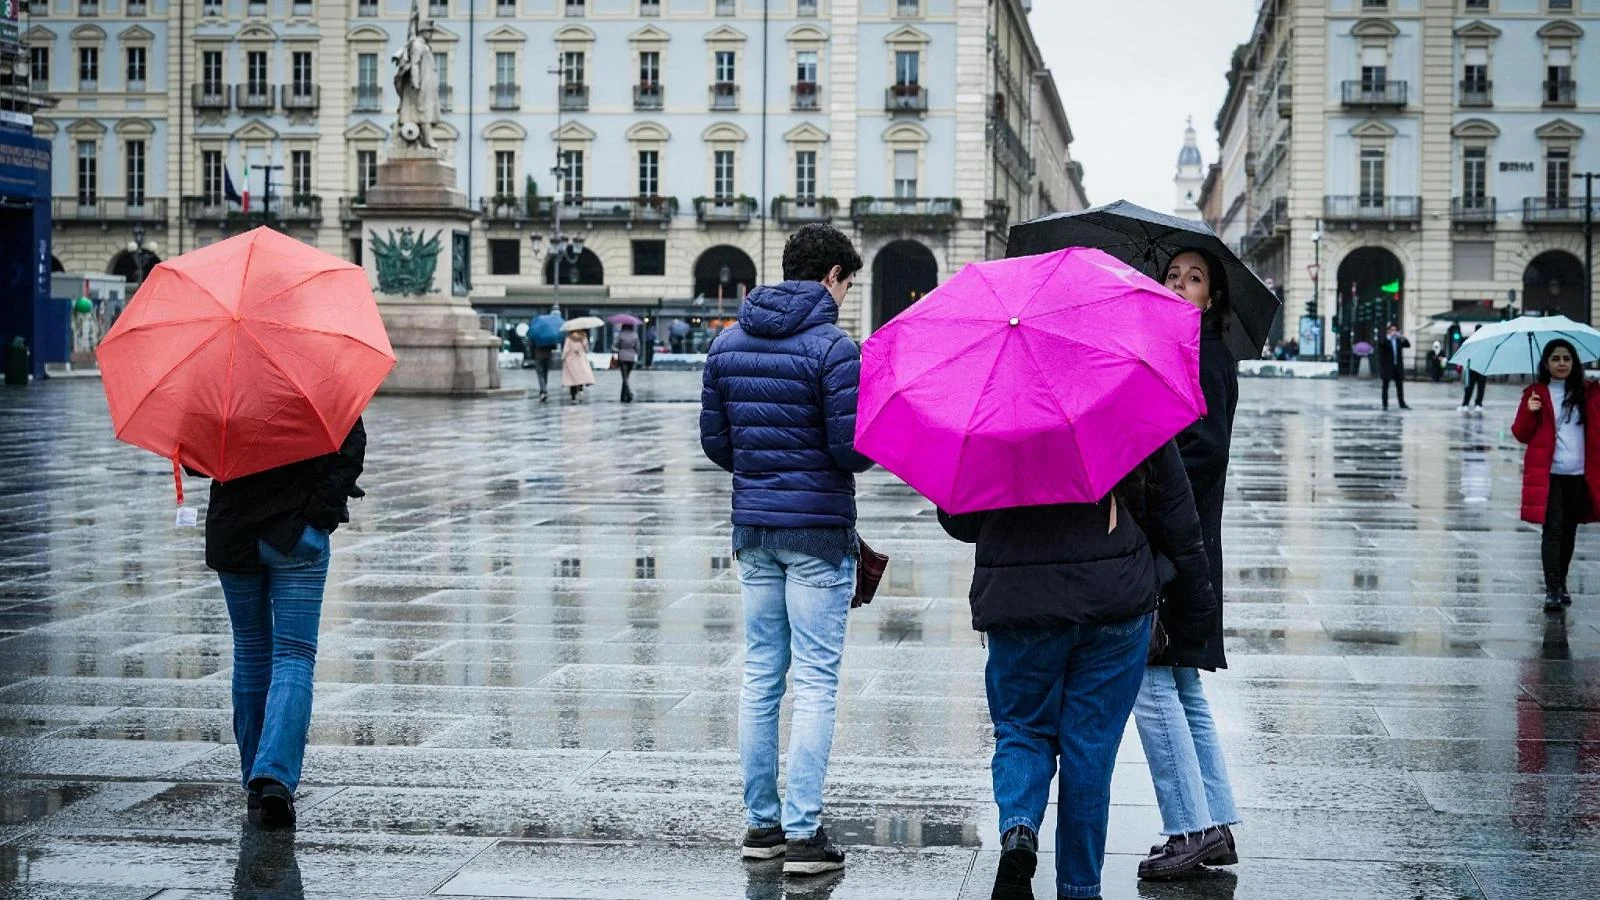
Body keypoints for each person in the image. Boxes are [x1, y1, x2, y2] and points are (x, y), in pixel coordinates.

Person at [940, 444, 1217, 900]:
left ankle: (1019, 830)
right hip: (1113, 599)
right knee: (1090, 750)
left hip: (1019, 601)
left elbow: (962, 522)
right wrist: (1197, 609)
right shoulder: (1123, 405)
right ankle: (1080, 888)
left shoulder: (989, 417)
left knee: (1022, 729)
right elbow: (1175, 512)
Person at [699, 223, 872, 877]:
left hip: (755, 530)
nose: (845, 297)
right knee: (817, 681)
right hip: (818, 533)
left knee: (761, 676)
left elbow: (717, 444)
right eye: (847, 285)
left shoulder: (728, 342)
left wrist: (763, 468)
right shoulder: (834, 348)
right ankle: (803, 835)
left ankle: (762, 827)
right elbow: (849, 450)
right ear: (831, 276)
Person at [1132, 249, 1241, 880]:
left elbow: (1206, 448)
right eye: (1171, 275)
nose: (1178, 285)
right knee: (1180, 682)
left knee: (1150, 678)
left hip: (1175, 542)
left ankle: (1190, 828)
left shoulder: (1203, 352)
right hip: (1188, 540)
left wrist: (1146, 475)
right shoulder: (1178, 349)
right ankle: (1215, 822)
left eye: (1193, 279)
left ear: (1212, 297)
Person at [199, 419, 366, 828]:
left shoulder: (221, 387)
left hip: (233, 530)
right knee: (294, 654)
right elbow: (351, 445)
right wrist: (319, 514)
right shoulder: (317, 383)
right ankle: (273, 775)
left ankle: (256, 780)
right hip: (295, 532)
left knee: (250, 651)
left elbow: (195, 460)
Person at [1512, 339, 1600, 612]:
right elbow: (1520, 433)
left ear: (1574, 363)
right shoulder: (1535, 394)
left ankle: (1561, 581)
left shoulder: (1589, 393)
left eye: (1566, 358)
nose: (1561, 363)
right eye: (1555, 358)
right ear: (1546, 363)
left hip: (1580, 473)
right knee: (1552, 530)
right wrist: (1530, 412)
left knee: (1569, 531)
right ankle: (1552, 588)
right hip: (1549, 474)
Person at [1377, 323, 1411, 411]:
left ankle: (1402, 404)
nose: (1394, 332)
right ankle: (1385, 405)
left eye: (1395, 330)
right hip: (1388, 367)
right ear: (1388, 331)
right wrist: (1388, 337)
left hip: (1397, 367)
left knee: (1400, 386)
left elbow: (1408, 345)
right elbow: (1381, 345)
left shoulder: (1398, 340)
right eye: (1392, 330)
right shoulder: (1385, 340)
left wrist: (1402, 337)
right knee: (1385, 387)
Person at [561, 328, 594, 402]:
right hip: (580, 358)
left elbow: (566, 349)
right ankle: (580, 389)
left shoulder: (569, 338)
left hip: (570, 359)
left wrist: (563, 357)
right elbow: (586, 349)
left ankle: (573, 395)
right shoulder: (583, 337)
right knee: (580, 375)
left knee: (572, 378)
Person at [1460, 327, 1487, 414]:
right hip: (1477, 367)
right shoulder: (1474, 341)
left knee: (1476, 387)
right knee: (1472, 387)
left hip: (1477, 367)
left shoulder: (1477, 341)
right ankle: (1469, 404)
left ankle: (1473, 404)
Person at [614, 323, 640, 403]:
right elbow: (637, 347)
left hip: (622, 357)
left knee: (624, 377)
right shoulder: (635, 335)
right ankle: (623, 396)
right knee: (626, 377)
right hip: (631, 358)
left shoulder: (621, 334)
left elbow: (616, 345)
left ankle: (629, 393)